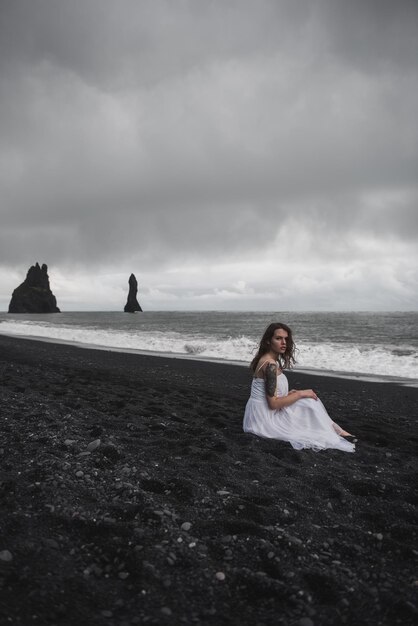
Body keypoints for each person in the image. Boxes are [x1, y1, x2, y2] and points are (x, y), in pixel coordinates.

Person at [243, 323, 355, 452]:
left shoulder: (269, 360)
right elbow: (273, 404)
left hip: (260, 413)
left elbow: (270, 392)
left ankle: (336, 429)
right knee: (307, 401)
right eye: (278, 338)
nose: (283, 342)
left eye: (286, 339)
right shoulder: (270, 365)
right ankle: (336, 431)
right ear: (268, 341)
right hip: (262, 420)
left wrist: (291, 393)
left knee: (307, 400)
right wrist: (300, 394)